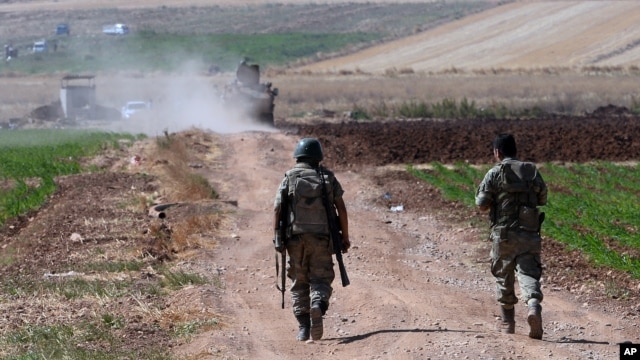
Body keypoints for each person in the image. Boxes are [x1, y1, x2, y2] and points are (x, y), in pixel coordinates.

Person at [273, 138, 350, 341]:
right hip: (321, 238)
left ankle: (303, 327)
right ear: (318, 156)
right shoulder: (327, 177)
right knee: (321, 278)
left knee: (299, 282)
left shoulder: (289, 177)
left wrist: (277, 237)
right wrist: (345, 237)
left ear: (297, 156)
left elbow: (278, 208)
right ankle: (318, 305)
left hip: (295, 238)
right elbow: (341, 208)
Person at [475, 133, 548, 340]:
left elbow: (481, 204)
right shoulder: (531, 171)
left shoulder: (494, 173)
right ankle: (533, 306)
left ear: (497, 152)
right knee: (528, 274)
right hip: (529, 234)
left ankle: (508, 323)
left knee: (503, 277)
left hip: (504, 235)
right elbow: (543, 198)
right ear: (515, 150)